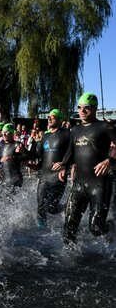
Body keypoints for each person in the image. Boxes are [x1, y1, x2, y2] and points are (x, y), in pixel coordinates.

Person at [52, 93, 116, 247]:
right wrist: (64, 165)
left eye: (86, 108)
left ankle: (112, 227)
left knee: (95, 228)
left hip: (99, 184)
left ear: (94, 108)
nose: (81, 111)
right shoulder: (75, 130)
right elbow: (71, 152)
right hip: (79, 184)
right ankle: (71, 258)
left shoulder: (104, 127)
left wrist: (109, 160)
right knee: (68, 229)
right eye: (79, 108)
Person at [34, 109, 70, 229]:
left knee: (50, 207)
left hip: (58, 175)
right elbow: (38, 154)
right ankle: (42, 230)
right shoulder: (45, 135)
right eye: (48, 117)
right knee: (40, 205)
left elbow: (75, 153)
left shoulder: (66, 134)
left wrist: (65, 165)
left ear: (60, 120)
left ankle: (65, 208)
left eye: (53, 117)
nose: (49, 119)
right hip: (44, 175)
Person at [0, 123, 28, 188]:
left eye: (6, 132)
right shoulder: (1, 144)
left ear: (11, 133)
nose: (4, 134)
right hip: (4, 180)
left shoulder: (17, 144)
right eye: (3, 132)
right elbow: (0, 157)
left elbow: (27, 156)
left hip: (15, 179)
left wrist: (12, 157)